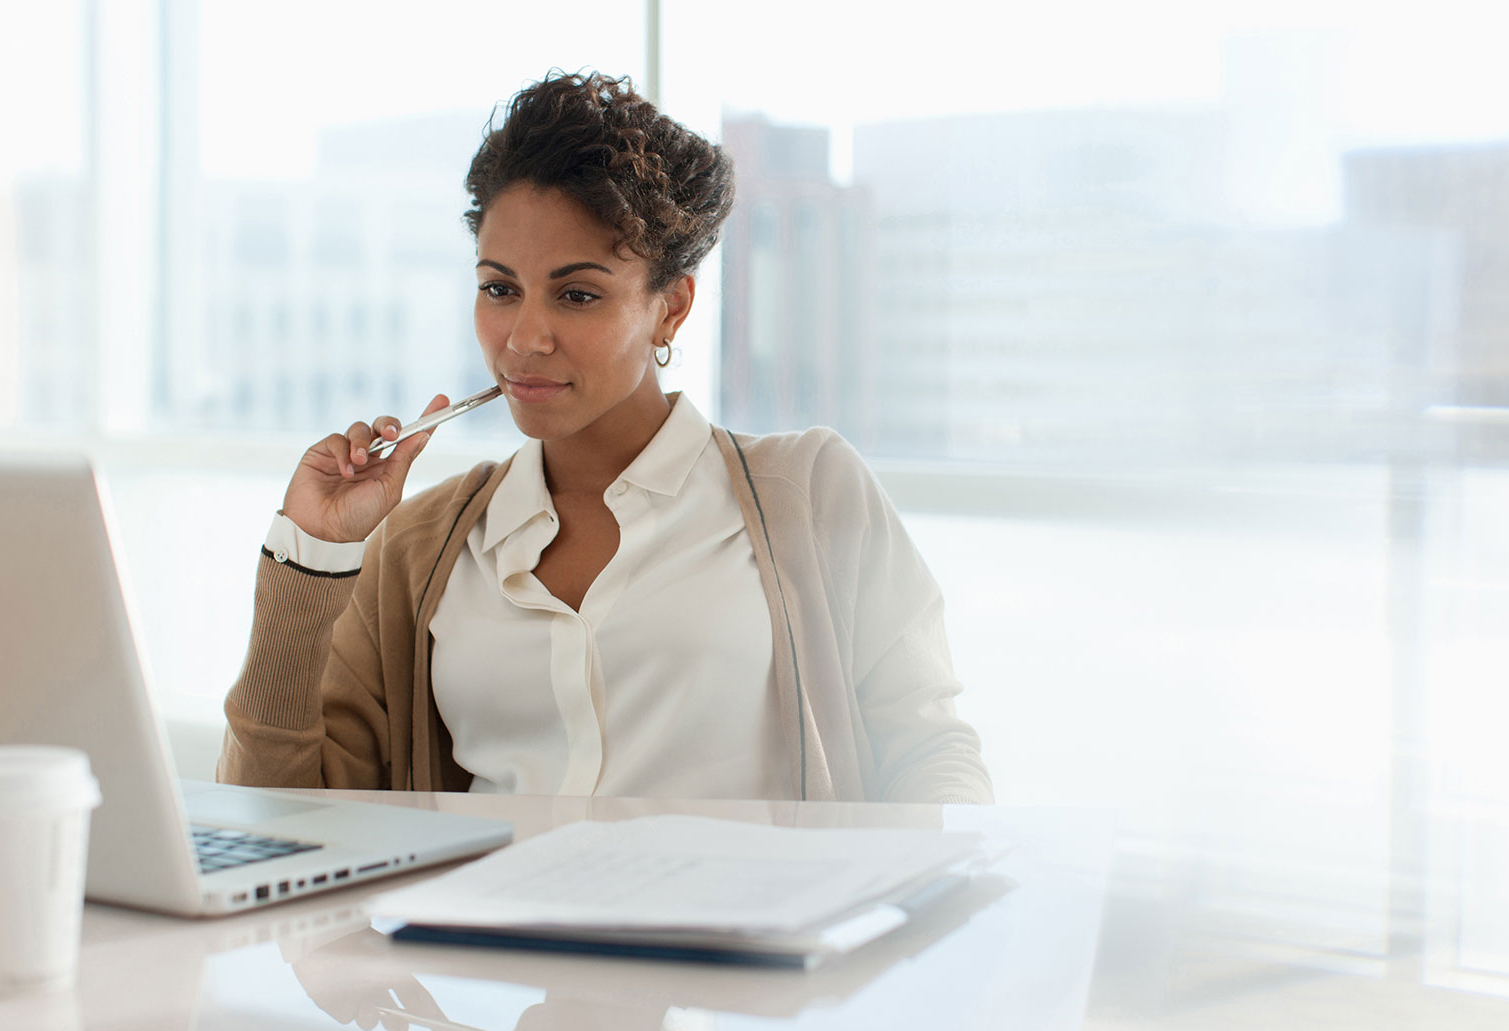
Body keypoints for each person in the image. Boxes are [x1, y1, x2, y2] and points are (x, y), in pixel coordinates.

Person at [216, 72, 991, 803]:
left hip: (737, 941)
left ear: (670, 309)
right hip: (483, 945)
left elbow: (931, 757)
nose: (523, 339)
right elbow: (279, 823)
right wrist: (313, 553)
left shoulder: (810, 492)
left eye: (577, 294)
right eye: (499, 289)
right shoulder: (421, 548)